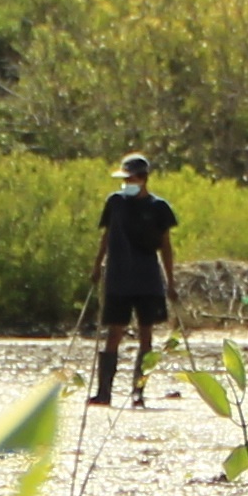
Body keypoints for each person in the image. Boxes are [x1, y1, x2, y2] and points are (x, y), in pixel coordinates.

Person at [87, 153, 181, 406]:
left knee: (146, 335)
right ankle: (104, 391)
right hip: (118, 278)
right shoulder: (115, 203)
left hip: (147, 280)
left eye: (130, 178)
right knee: (114, 333)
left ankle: (138, 391)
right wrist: (97, 266)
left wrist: (171, 282)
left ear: (143, 178)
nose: (127, 183)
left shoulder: (159, 208)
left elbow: (166, 246)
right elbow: (106, 236)